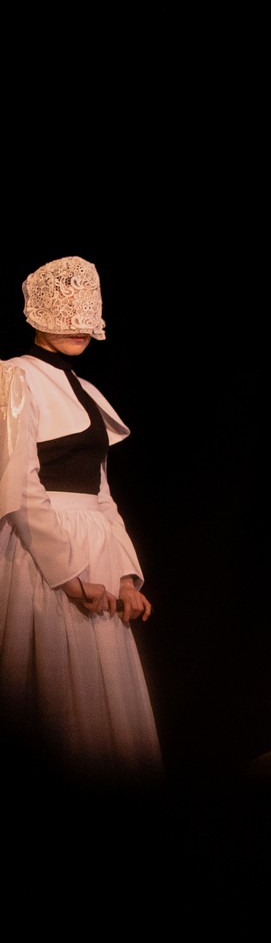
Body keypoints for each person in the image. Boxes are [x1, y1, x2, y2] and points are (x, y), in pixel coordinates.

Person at [0, 255, 161, 786]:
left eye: (85, 312)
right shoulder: (16, 378)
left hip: (97, 558)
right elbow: (20, 490)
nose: (77, 325)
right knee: (52, 704)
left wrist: (126, 576)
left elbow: (102, 494)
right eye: (64, 310)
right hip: (44, 558)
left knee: (101, 712)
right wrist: (67, 576)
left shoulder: (87, 392)